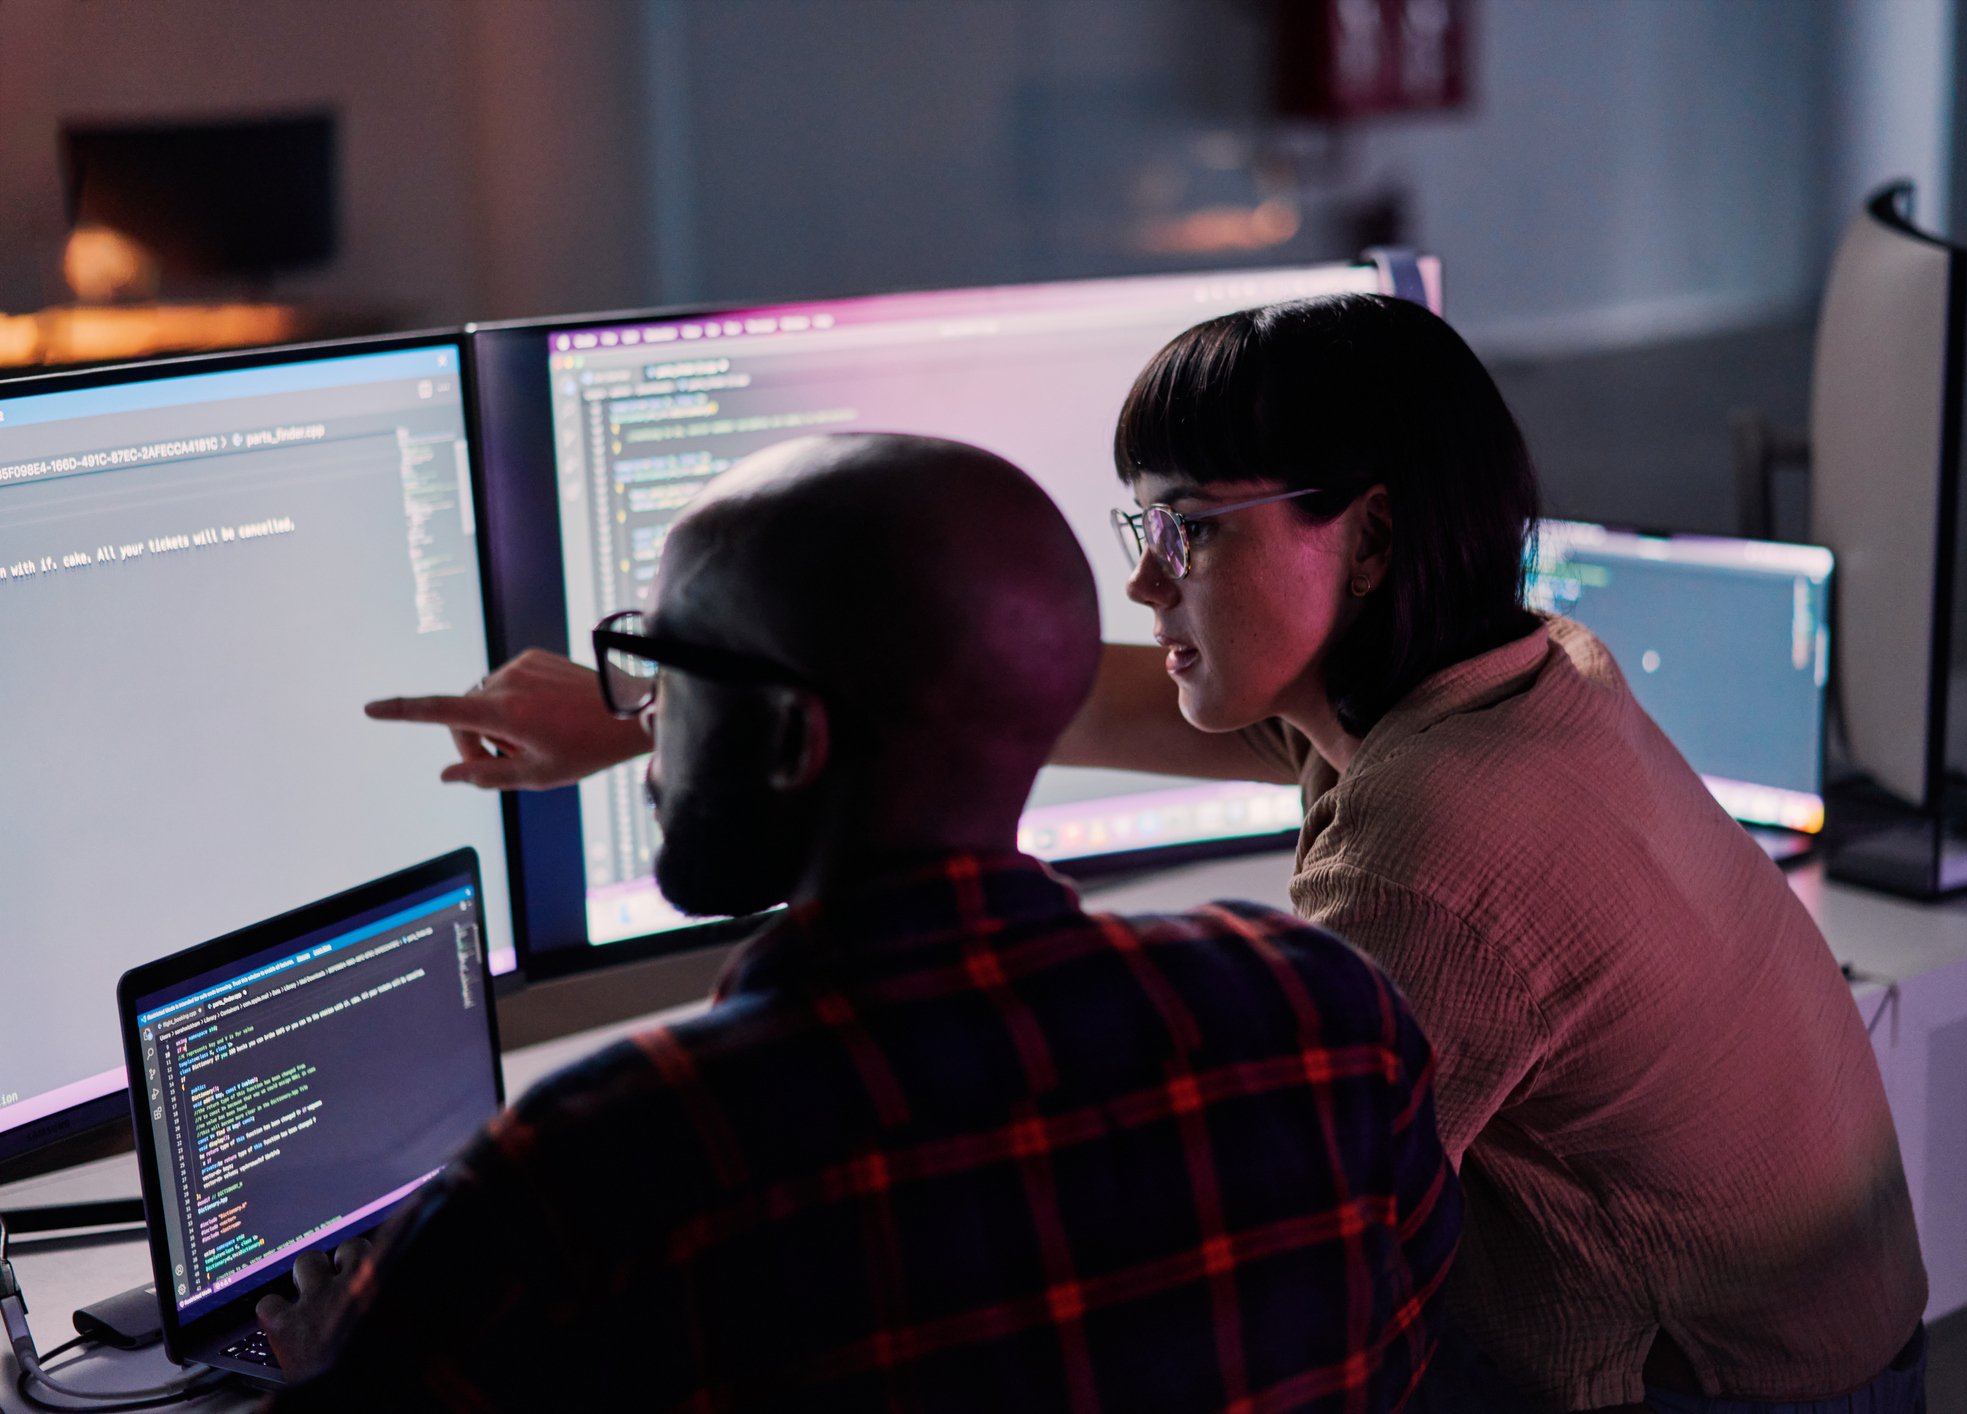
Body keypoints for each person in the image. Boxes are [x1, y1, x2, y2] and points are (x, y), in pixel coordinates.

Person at [375, 296, 1929, 1414]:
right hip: (1817, 1305)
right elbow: (997, 676)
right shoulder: (1498, 674)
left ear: (1369, 538)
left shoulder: (1432, 844)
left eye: (1187, 527)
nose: (1138, 578)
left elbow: (1302, 1229)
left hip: (1726, 1378)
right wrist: (663, 700)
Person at [270, 432, 1462, 1411]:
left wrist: (338, 1350)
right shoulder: (1321, 1016)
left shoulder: (602, 1163)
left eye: (660, 681)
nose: (642, 731)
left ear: (792, 738)